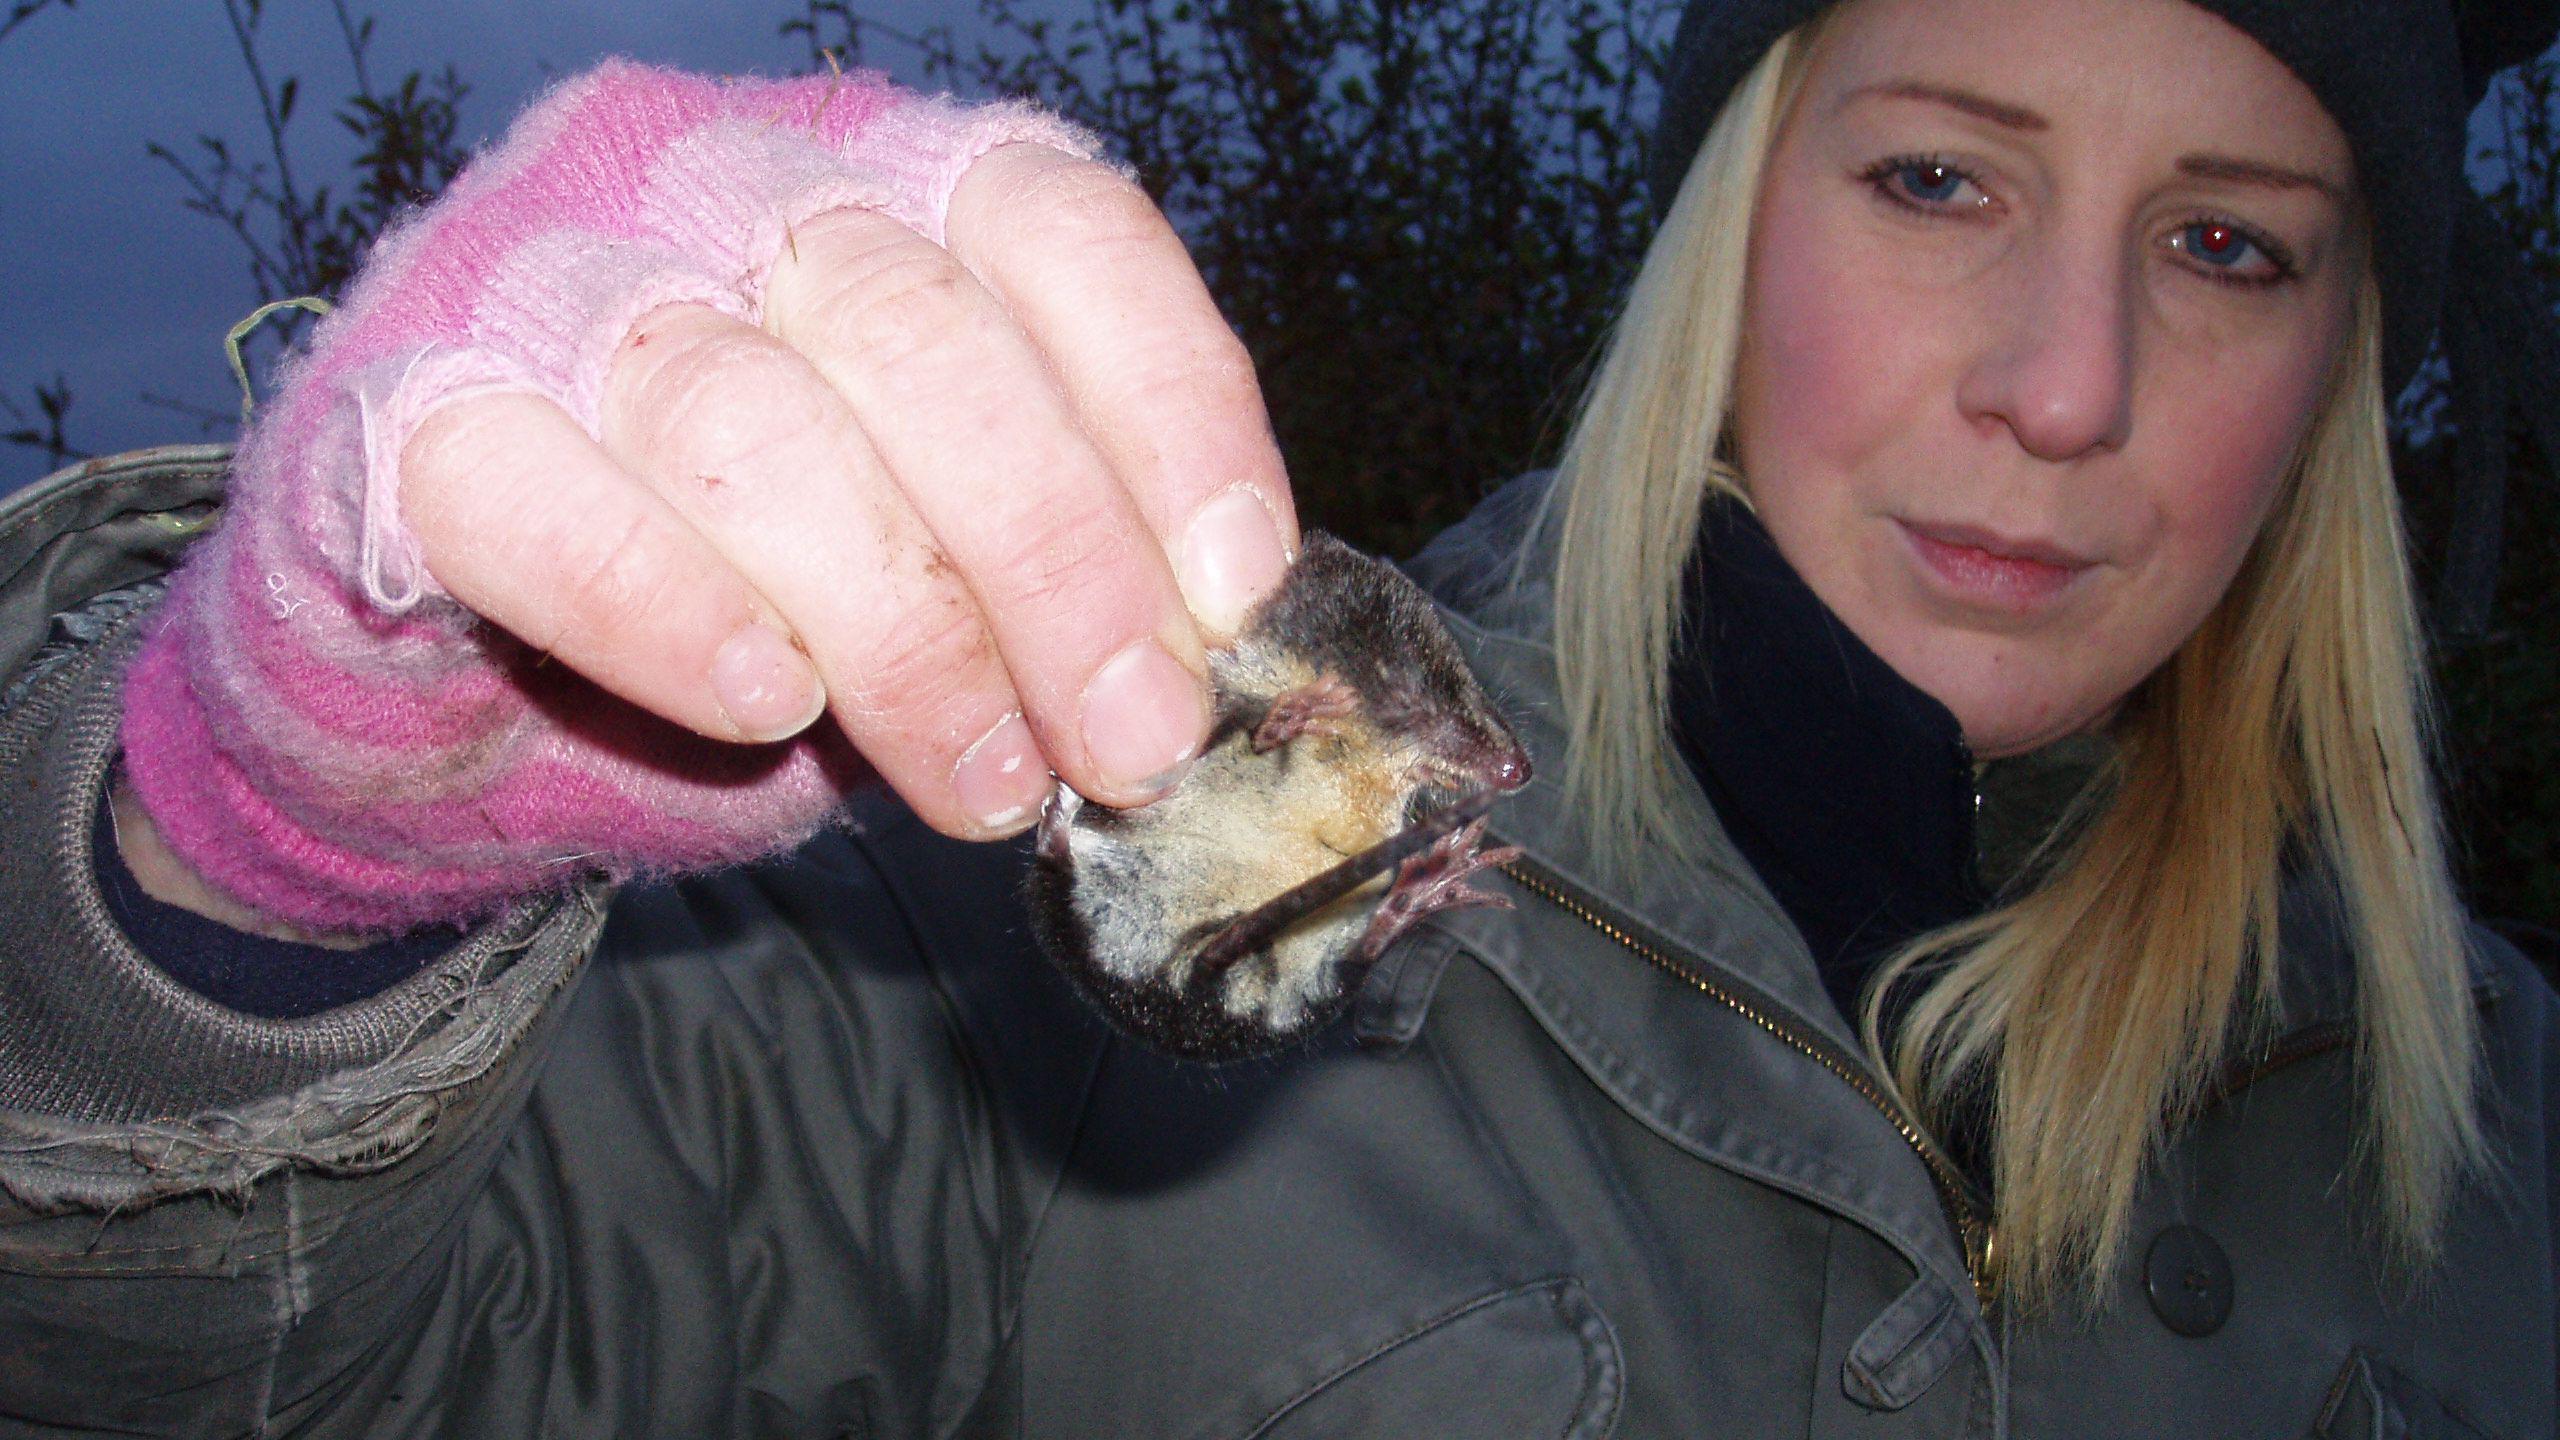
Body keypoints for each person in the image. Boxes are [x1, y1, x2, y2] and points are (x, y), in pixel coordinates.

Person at [2, 0, 2555, 1432]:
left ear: (2346, 364)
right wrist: (254, 859)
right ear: (1725, 224)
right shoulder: (1042, 914)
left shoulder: (2504, 1126)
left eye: (2225, 243)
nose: (2068, 384)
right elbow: (230, 1380)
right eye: (1936, 180)